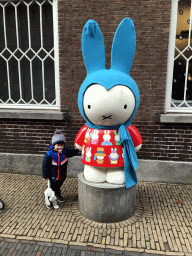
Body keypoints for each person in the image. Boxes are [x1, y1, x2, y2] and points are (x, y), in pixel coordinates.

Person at [42, 130, 79, 208]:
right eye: (58, 145)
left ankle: (57, 195)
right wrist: (45, 175)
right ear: (54, 145)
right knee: (52, 188)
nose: (60, 147)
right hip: (53, 175)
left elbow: (71, 152)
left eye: (61, 145)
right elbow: (45, 164)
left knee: (58, 186)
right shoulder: (49, 154)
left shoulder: (65, 151)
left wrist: (77, 149)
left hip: (62, 174)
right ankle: (49, 201)